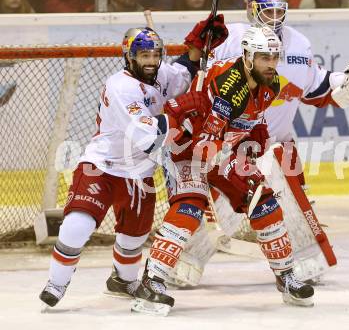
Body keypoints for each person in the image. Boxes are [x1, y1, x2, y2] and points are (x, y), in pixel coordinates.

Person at [168, 0, 349, 289]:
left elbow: (314, 88)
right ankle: (187, 259)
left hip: (276, 142)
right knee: (211, 208)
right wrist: (196, 52)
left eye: (279, 10)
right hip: (228, 142)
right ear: (252, 10)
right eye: (268, 10)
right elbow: (192, 75)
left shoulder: (299, 43)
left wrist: (347, 80)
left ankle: (301, 262)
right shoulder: (228, 36)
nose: (274, 17)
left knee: (291, 203)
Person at [38, 18, 229, 308]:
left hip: (139, 172)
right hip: (102, 165)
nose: (151, 61)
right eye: (144, 55)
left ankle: (123, 281)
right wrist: (183, 109)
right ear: (129, 57)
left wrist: (198, 45)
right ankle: (56, 283)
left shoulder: (161, 72)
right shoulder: (120, 87)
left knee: (134, 236)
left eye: (155, 54)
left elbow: (183, 73)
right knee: (77, 225)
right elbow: (150, 139)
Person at [131, 26, 315, 316]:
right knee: (189, 210)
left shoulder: (271, 83)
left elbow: (254, 121)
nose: (271, 64)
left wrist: (255, 141)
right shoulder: (230, 86)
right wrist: (226, 158)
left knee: (264, 203)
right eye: (264, 57)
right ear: (248, 56)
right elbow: (208, 144)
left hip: (223, 146)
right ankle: (151, 282)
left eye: (274, 57)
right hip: (188, 146)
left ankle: (286, 277)